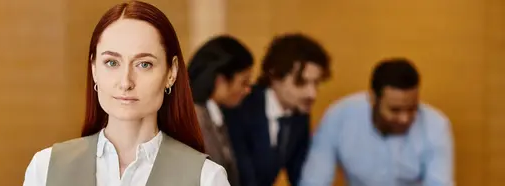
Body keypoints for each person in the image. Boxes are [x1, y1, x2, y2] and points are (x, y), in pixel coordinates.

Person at [22, 1, 230, 186]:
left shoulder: (206, 178)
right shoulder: (45, 168)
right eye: (112, 63)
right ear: (94, 69)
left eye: (144, 64)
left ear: (171, 72)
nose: (125, 82)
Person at [299, 58, 453, 186]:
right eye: (395, 110)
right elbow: (314, 180)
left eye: (412, 108)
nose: (405, 118)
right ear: (373, 99)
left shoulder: (436, 125)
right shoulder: (339, 117)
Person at [224, 33, 331, 186]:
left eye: (316, 83)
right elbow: (243, 176)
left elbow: (300, 175)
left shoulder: (299, 115)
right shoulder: (242, 106)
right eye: (301, 82)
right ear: (275, 75)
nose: (312, 93)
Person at [188, 35, 254, 186]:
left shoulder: (213, 114)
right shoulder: (193, 119)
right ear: (220, 80)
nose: (248, 90)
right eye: (244, 82)